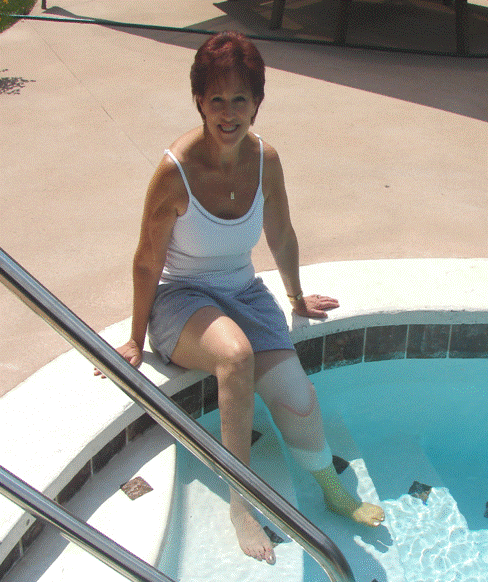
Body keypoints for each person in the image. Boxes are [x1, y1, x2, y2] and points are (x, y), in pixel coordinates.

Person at [97, 31, 384, 565]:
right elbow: (147, 260)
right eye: (216, 100)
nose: (228, 113)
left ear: (257, 102)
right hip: (180, 301)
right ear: (199, 101)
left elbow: (281, 234)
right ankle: (241, 504)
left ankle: (331, 489)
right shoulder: (176, 171)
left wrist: (295, 296)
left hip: (243, 293)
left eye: (239, 99)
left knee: (298, 399)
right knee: (235, 357)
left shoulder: (265, 160)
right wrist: (135, 339)